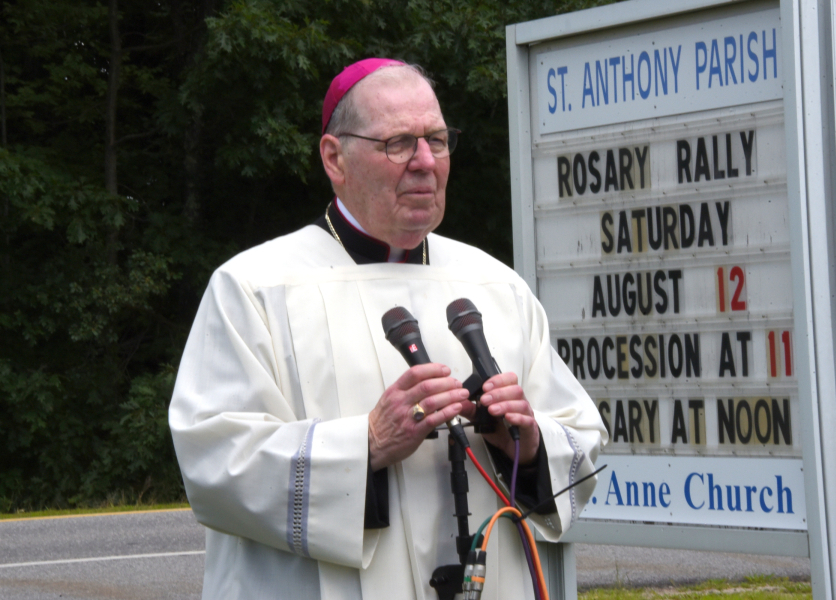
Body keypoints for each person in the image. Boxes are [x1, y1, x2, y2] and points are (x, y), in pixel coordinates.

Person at [169, 58, 607, 600]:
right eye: (399, 142)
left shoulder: (498, 287)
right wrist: (366, 444)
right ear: (335, 157)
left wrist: (527, 441)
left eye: (438, 141)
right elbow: (214, 463)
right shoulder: (254, 288)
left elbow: (579, 442)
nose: (425, 162)